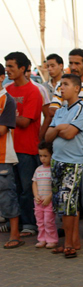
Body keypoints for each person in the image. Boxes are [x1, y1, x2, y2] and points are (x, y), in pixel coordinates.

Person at [50, 49, 83, 241]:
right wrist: (73, 115)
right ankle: (66, 228)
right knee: (62, 190)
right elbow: (53, 109)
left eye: (77, 63)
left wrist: (65, 119)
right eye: (71, 62)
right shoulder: (61, 85)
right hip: (62, 148)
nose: (73, 66)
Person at [45, 74, 83, 258]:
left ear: (76, 88)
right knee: (64, 203)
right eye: (60, 85)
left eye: (65, 84)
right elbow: (48, 137)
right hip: (57, 160)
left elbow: (69, 133)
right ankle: (74, 242)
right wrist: (58, 128)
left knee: (67, 203)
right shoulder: (60, 111)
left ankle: (68, 245)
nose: (61, 88)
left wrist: (57, 129)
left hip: (73, 162)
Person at [5, 52, 42, 238]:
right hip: (8, 148)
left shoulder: (33, 91)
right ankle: (15, 222)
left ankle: (29, 223)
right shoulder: (7, 91)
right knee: (11, 188)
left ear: (22, 68)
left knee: (27, 189)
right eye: (6, 65)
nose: (7, 69)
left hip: (27, 148)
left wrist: (4, 116)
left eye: (11, 66)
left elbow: (26, 121)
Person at [0, 84, 22, 249]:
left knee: (7, 195)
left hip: (2, 156)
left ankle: (15, 234)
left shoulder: (7, 99)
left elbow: (2, 129)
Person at [32, 141, 57, 249]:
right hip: (39, 201)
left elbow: (56, 185)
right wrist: (36, 195)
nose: (43, 158)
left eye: (45, 156)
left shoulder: (53, 169)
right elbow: (34, 183)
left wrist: (49, 197)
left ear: (52, 155)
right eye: (41, 156)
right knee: (40, 221)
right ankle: (42, 239)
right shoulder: (38, 169)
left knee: (48, 221)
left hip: (48, 201)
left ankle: (52, 240)